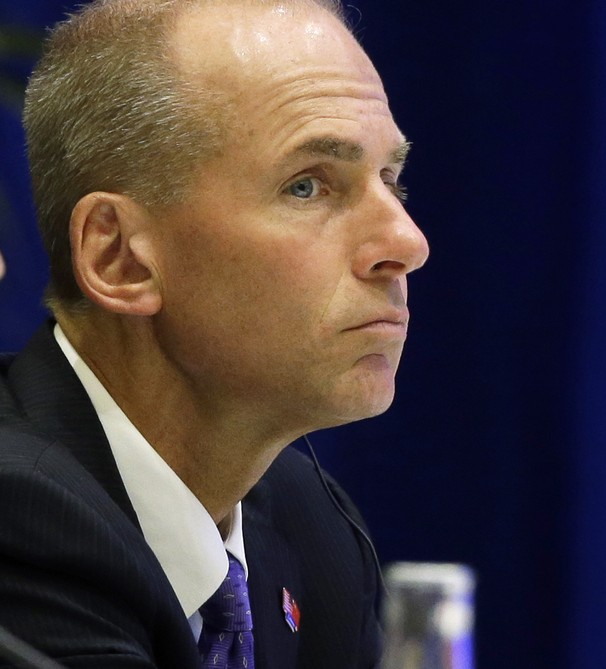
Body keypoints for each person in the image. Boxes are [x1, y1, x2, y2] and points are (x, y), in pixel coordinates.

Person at [0, 0, 428, 666]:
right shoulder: (20, 522)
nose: (406, 242)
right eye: (308, 186)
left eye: (391, 180)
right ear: (120, 258)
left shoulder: (308, 525)